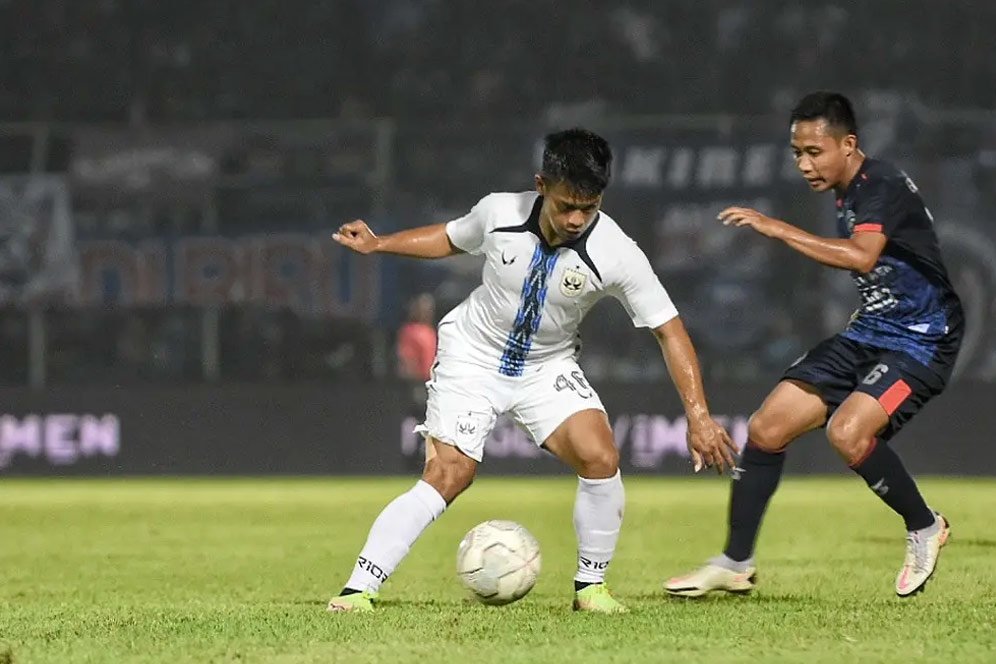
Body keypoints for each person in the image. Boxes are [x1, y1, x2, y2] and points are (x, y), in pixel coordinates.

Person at [327, 128, 737, 613]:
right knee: (450, 472)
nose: (577, 219)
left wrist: (699, 415)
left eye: (590, 206)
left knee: (600, 456)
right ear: (541, 184)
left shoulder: (617, 253)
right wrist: (379, 244)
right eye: (567, 205)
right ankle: (359, 588)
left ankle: (591, 589)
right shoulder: (498, 212)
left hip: (547, 366)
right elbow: (451, 238)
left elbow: (670, 331)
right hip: (472, 354)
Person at [666, 92, 963, 599]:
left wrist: (776, 228)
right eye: (797, 152)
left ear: (849, 145)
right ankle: (737, 562)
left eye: (814, 151)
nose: (804, 164)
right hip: (871, 330)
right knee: (767, 426)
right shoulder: (848, 190)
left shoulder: (880, 186)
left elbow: (862, 257)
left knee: (848, 434)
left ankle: (925, 526)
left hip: (922, 339)